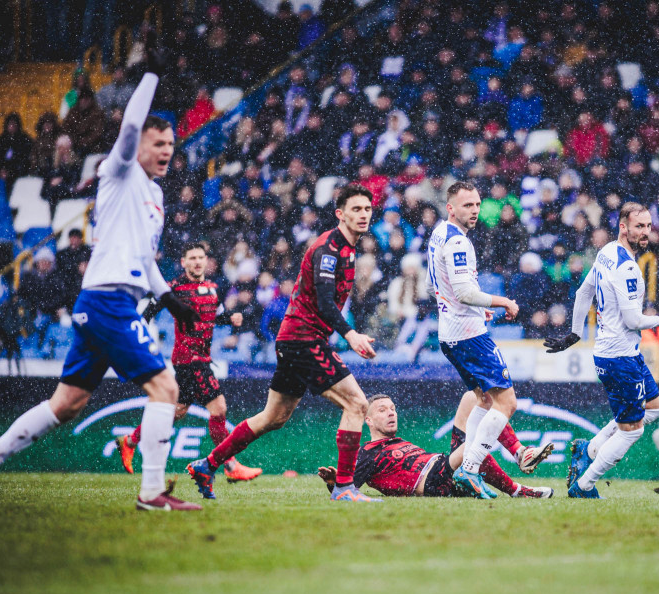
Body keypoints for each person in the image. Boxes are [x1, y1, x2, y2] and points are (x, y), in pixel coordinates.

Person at [0, 65, 203, 510]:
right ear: (139, 143)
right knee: (166, 388)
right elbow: (129, 123)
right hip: (109, 300)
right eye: (158, 143)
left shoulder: (156, 194)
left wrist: (167, 298)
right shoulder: (119, 169)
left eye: (171, 144)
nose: (167, 151)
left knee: (67, 403)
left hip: (106, 300)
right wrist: (151, 77)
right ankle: (151, 494)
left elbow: (144, 258)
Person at [186, 185, 381, 503]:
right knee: (357, 405)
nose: (362, 215)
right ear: (340, 214)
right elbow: (324, 301)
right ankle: (345, 488)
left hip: (296, 340)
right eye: (355, 209)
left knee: (272, 417)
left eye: (367, 209)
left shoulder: (348, 248)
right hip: (303, 339)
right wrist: (350, 334)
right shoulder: (329, 249)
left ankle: (207, 465)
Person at [543, 202, 659, 498]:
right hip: (620, 358)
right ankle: (584, 484)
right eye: (639, 226)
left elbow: (582, 292)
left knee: (655, 408)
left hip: (618, 354)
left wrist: (576, 333)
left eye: (648, 226)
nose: (645, 232)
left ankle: (587, 450)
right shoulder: (628, 267)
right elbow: (633, 320)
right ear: (623, 227)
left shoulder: (607, 252)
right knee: (633, 430)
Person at [112, 243, 261, 482]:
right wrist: (139, 340)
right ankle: (231, 466)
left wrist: (230, 318)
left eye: (201, 257)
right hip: (190, 359)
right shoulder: (174, 287)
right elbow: (147, 313)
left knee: (177, 412)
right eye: (192, 258)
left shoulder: (213, 288)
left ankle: (129, 441)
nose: (197, 262)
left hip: (199, 359)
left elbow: (216, 317)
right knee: (219, 408)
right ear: (183, 262)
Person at [427, 181, 523, 499]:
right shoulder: (457, 242)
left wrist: (469, 308)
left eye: (478, 205)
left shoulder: (439, 234)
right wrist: (502, 302)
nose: (475, 211)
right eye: (467, 205)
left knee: (483, 400)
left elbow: (440, 288)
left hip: (452, 332)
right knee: (507, 403)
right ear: (451, 207)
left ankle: (469, 470)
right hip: (469, 336)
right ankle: (469, 469)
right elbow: (465, 292)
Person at [317, 394, 552, 498]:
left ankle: (520, 453)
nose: (391, 413)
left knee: (478, 398)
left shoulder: (396, 442)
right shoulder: (368, 453)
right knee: (476, 441)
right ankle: (518, 490)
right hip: (431, 480)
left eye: (393, 409)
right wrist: (333, 483)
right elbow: (347, 488)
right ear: (368, 420)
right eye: (382, 410)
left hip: (442, 467)